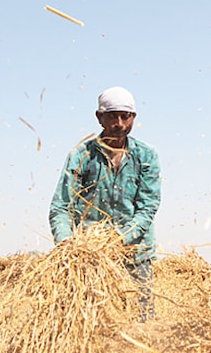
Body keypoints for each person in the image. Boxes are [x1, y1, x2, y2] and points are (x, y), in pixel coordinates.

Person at [48, 86, 162, 319]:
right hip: (90, 259)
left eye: (125, 116)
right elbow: (61, 206)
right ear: (99, 118)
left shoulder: (146, 155)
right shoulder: (82, 155)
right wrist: (66, 243)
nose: (119, 123)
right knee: (94, 325)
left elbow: (147, 207)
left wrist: (117, 240)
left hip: (135, 257)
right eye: (112, 116)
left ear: (134, 118)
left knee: (142, 325)